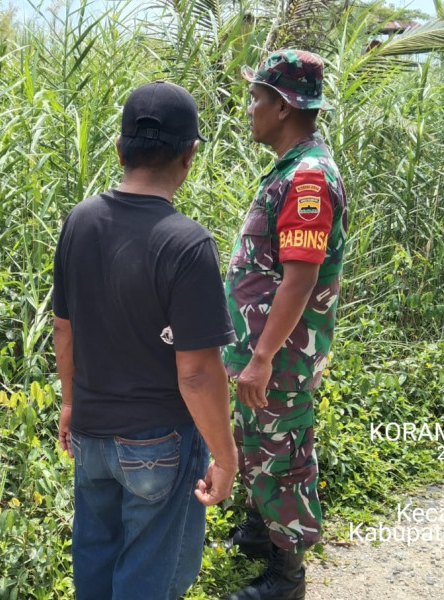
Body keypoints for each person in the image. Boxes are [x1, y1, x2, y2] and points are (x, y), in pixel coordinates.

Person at [52, 80, 238, 600]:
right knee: (148, 580)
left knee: (95, 564)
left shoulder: (80, 221)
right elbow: (196, 372)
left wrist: (69, 403)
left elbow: (63, 328)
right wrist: (225, 457)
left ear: (119, 149)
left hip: (90, 434)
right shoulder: (187, 243)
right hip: (158, 444)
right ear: (190, 155)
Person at [221, 50, 349, 600]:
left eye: (256, 97)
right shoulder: (290, 169)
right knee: (255, 439)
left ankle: (288, 574)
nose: (249, 108)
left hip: (282, 355)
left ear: (282, 107)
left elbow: (300, 279)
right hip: (268, 351)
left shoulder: (307, 179)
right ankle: (261, 531)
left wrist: (262, 357)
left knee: (283, 452)